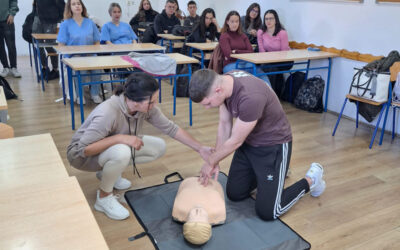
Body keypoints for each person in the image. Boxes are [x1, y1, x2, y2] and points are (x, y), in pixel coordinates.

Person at [67, 72, 214, 220]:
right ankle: (104, 198)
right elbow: (84, 149)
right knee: (122, 152)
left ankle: (110, 173)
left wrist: (200, 148)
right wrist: (121, 137)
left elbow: (171, 128)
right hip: (81, 157)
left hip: (108, 147)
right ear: (135, 101)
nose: (154, 105)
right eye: (151, 102)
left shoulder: (145, 107)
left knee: (158, 147)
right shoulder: (108, 112)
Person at [188, 69, 326, 221]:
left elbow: (235, 141)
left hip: (273, 146)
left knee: (269, 212)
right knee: (235, 194)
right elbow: (224, 124)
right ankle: (276, 174)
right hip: (249, 143)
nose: (207, 108)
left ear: (217, 90)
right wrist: (216, 161)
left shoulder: (250, 97)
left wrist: (210, 161)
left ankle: (312, 180)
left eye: (207, 103)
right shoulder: (225, 83)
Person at [57, 0, 102, 104]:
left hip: (90, 55)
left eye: (79, 3)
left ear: (82, 6)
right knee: (80, 70)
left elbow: (97, 41)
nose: (77, 6)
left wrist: (93, 52)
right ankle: (80, 95)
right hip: (74, 56)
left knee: (98, 67)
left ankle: (94, 93)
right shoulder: (65, 24)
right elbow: (61, 45)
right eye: (74, 4)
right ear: (69, 8)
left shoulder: (90, 23)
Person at [172, 177, 226, 245]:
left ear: (186, 221)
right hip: (211, 182)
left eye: (193, 216)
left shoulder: (180, 208)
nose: (198, 211)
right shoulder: (218, 210)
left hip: (189, 181)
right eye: (201, 216)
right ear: (209, 223)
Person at [219, 11, 269, 83]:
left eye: (237, 21)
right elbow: (229, 55)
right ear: (227, 22)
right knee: (245, 80)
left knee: (263, 76)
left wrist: (236, 51)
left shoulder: (243, 36)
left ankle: (269, 94)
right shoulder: (224, 36)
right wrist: (243, 53)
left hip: (247, 63)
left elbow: (251, 52)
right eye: (232, 21)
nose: (235, 24)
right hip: (231, 65)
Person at [257, 9, 291, 97]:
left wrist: (270, 59)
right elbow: (261, 50)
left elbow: (284, 52)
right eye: (266, 19)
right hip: (268, 59)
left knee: (271, 68)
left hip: (284, 60)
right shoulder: (261, 32)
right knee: (271, 68)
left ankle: (271, 95)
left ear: (276, 20)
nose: (268, 21)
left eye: (271, 18)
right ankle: (273, 95)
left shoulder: (282, 33)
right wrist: (267, 59)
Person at [32, 0, 65, 80]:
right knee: (38, 46)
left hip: (51, 20)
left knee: (49, 45)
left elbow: (62, 5)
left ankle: (55, 69)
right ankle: (44, 68)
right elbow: (35, 4)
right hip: (38, 19)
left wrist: (60, 19)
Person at [0, 0, 21, 78]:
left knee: (11, 45)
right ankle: (5, 67)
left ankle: (13, 67)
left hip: (7, 20)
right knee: (0, 47)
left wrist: (12, 14)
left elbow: (13, 1)